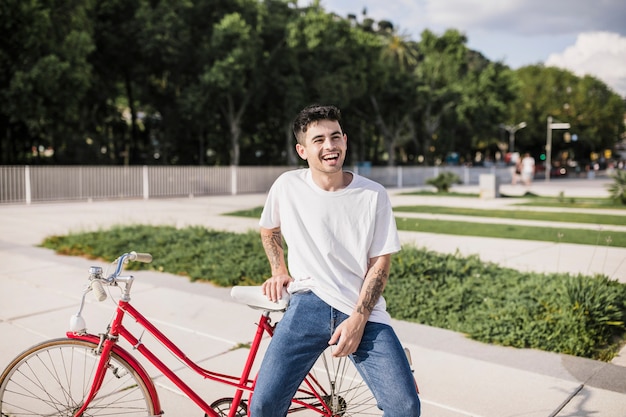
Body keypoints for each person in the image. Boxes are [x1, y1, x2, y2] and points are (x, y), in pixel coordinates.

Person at [250, 104, 421, 417]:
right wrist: (278, 270)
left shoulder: (373, 194)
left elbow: (380, 265)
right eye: (318, 140)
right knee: (262, 407)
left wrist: (357, 321)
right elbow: (268, 228)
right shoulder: (287, 186)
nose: (329, 146)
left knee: (405, 407)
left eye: (335, 137)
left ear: (345, 140)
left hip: (362, 311)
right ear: (302, 150)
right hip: (306, 306)